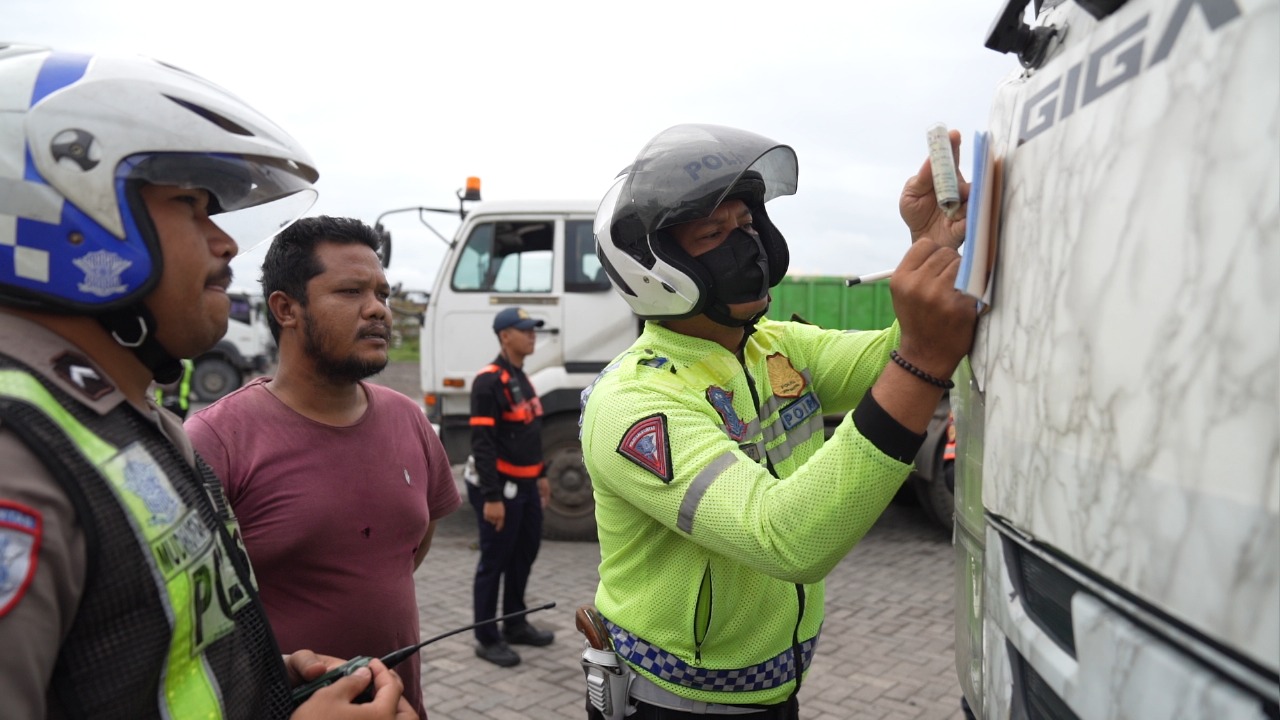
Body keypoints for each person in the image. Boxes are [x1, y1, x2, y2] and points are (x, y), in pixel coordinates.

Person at [0, 43, 413, 719]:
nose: (224, 243)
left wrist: (265, 681)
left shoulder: (128, 419)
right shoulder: (18, 460)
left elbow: (134, 662)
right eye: (191, 205)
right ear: (70, 226)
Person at [579, 123, 978, 719]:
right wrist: (921, 363)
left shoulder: (775, 347)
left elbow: (899, 349)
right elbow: (784, 537)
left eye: (747, 226)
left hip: (776, 693)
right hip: (672, 705)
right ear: (654, 266)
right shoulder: (636, 403)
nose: (748, 244)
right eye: (715, 232)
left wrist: (934, 248)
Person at [185, 216, 461, 718]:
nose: (378, 308)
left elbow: (408, 550)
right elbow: (185, 623)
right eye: (352, 291)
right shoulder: (216, 441)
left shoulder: (408, 419)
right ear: (286, 309)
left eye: (382, 292)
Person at [467, 306, 556, 667]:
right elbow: (483, 443)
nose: (533, 335)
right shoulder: (488, 381)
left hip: (525, 484)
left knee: (524, 554)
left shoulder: (520, 376)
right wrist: (491, 497)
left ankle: (515, 623)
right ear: (505, 335)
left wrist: (541, 474)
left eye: (534, 330)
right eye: (525, 330)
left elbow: (528, 435)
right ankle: (487, 637)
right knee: (495, 561)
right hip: (497, 488)